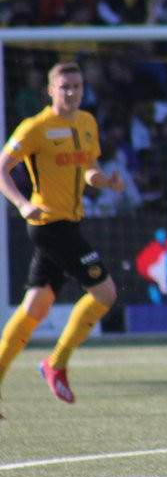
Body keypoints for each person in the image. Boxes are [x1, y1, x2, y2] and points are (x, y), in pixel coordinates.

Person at [0, 62, 126, 414]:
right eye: (65, 86)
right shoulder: (35, 127)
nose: (72, 92)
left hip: (69, 224)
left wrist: (108, 181)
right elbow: (2, 168)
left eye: (77, 86)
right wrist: (23, 204)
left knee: (35, 308)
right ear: (51, 90)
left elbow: (90, 172)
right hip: (46, 224)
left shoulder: (87, 123)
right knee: (106, 292)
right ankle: (56, 363)